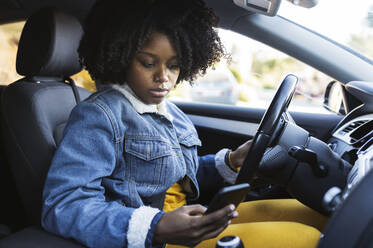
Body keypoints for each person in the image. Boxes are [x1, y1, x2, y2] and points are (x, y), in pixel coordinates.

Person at [41, 0, 326, 247]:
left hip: (189, 221)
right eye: (148, 63)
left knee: (314, 213)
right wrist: (157, 226)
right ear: (120, 57)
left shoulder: (170, 111)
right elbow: (64, 205)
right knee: (305, 239)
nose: (164, 77)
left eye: (174, 65)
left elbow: (174, 176)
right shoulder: (100, 116)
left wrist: (231, 161)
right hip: (156, 239)